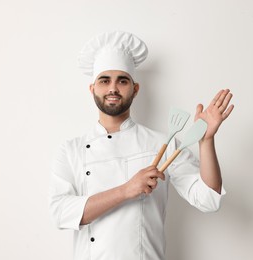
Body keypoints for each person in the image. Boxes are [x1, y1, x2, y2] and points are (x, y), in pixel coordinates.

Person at [49, 31, 234, 260]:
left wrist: (206, 141)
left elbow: (208, 199)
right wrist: (126, 190)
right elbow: (60, 213)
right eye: (104, 80)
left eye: (122, 81)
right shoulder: (71, 150)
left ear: (135, 89)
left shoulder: (162, 144)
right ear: (93, 89)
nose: (113, 89)